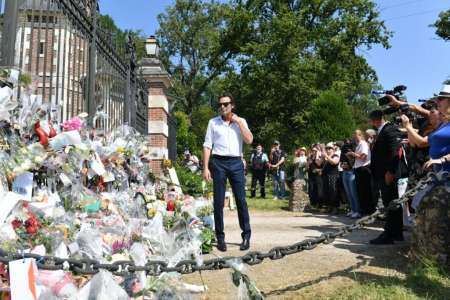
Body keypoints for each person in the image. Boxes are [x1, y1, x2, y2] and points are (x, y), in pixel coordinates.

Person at [203, 93, 253, 252]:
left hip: (236, 162)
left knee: (241, 200)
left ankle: (246, 236)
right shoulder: (213, 123)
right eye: (220, 105)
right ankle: (220, 238)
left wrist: (238, 122)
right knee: (218, 202)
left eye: (226, 104)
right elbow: (207, 145)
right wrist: (205, 167)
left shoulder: (241, 121)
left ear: (232, 105)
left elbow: (249, 140)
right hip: (218, 162)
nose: (223, 107)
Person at [368, 110, 403, 244]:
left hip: (387, 174)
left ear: (375, 120)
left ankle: (389, 234)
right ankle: (396, 233)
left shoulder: (389, 130)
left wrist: (390, 171)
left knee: (390, 203)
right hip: (382, 173)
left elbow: (396, 152)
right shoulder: (383, 131)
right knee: (392, 203)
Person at [348, 130, 373, 216]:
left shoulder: (363, 144)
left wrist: (353, 154)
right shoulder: (358, 145)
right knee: (360, 192)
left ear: (360, 135)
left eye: (355, 135)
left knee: (365, 192)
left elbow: (363, 156)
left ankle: (367, 212)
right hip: (358, 169)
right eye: (354, 135)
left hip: (364, 169)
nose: (354, 137)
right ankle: (362, 211)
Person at [321, 143, 340, 213]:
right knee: (327, 191)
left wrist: (326, 156)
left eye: (330, 148)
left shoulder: (336, 155)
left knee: (334, 191)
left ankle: (335, 207)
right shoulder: (326, 157)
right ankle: (330, 207)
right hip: (326, 175)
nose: (328, 150)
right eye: (327, 149)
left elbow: (334, 162)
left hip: (333, 175)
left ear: (333, 149)